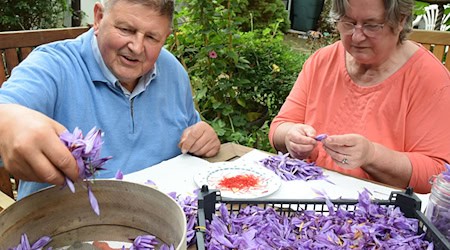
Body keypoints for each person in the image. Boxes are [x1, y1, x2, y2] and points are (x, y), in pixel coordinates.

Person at [0, 0, 220, 199]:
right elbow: (5, 110)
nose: (136, 47)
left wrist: (202, 136)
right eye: (126, 29)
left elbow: (192, 129)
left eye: (152, 37)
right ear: (98, 18)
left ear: (166, 38)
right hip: (65, 228)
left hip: (162, 219)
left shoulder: (172, 70)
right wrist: (8, 124)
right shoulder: (52, 66)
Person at [269, 0, 450, 194]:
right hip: (308, 200)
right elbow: (279, 128)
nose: (356, 36)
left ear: (399, 21)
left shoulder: (429, 79)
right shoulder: (322, 61)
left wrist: (372, 155)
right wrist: (291, 136)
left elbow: (437, 174)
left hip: (382, 214)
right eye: (348, 23)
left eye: (372, 26)